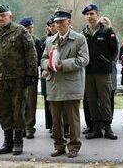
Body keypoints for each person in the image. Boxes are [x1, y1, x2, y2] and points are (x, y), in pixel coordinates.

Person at [0, 4, 37, 155]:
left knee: (18, 110)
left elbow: (31, 52)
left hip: (18, 79)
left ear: (10, 17)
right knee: (3, 110)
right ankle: (7, 141)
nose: (0, 18)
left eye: (3, 16)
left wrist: (31, 74)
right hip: (1, 79)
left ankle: (18, 141)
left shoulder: (20, 31)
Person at [41, 9, 89, 158]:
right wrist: (47, 65)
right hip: (54, 84)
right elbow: (42, 59)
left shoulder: (79, 39)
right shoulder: (50, 41)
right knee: (56, 120)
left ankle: (73, 146)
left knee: (72, 119)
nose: (59, 24)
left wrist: (63, 64)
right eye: (57, 22)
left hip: (71, 84)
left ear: (69, 22)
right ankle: (59, 146)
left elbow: (84, 60)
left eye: (62, 22)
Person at [82, 4, 118, 140]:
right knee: (91, 100)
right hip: (89, 71)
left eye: (92, 13)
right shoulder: (83, 33)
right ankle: (96, 127)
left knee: (105, 100)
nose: (89, 16)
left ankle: (107, 128)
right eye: (87, 14)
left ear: (97, 14)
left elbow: (114, 50)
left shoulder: (107, 31)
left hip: (103, 72)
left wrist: (108, 62)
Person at [18, 16, 42, 139]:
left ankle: (29, 127)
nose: (30, 30)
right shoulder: (16, 40)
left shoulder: (36, 41)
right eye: (28, 28)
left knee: (31, 102)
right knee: (19, 103)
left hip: (31, 75)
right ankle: (20, 127)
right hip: (18, 75)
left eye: (31, 28)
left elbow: (38, 59)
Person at [99, 16, 119, 117]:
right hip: (99, 72)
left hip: (110, 70)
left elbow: (115, 54)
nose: (103, 24)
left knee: (109, 96)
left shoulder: (113, 36)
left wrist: (106, 63)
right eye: (101, 23)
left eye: (105, 22)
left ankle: (108, 119)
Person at [40, 15, 58, 134]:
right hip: (45, 72)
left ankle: (61, 125)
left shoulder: (60, 38)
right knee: (48, 100)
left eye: (54, 25)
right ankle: (50, 125)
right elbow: (41, 58)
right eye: (50, 26)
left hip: (57, 73)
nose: (52, 28)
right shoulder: (44, 40)